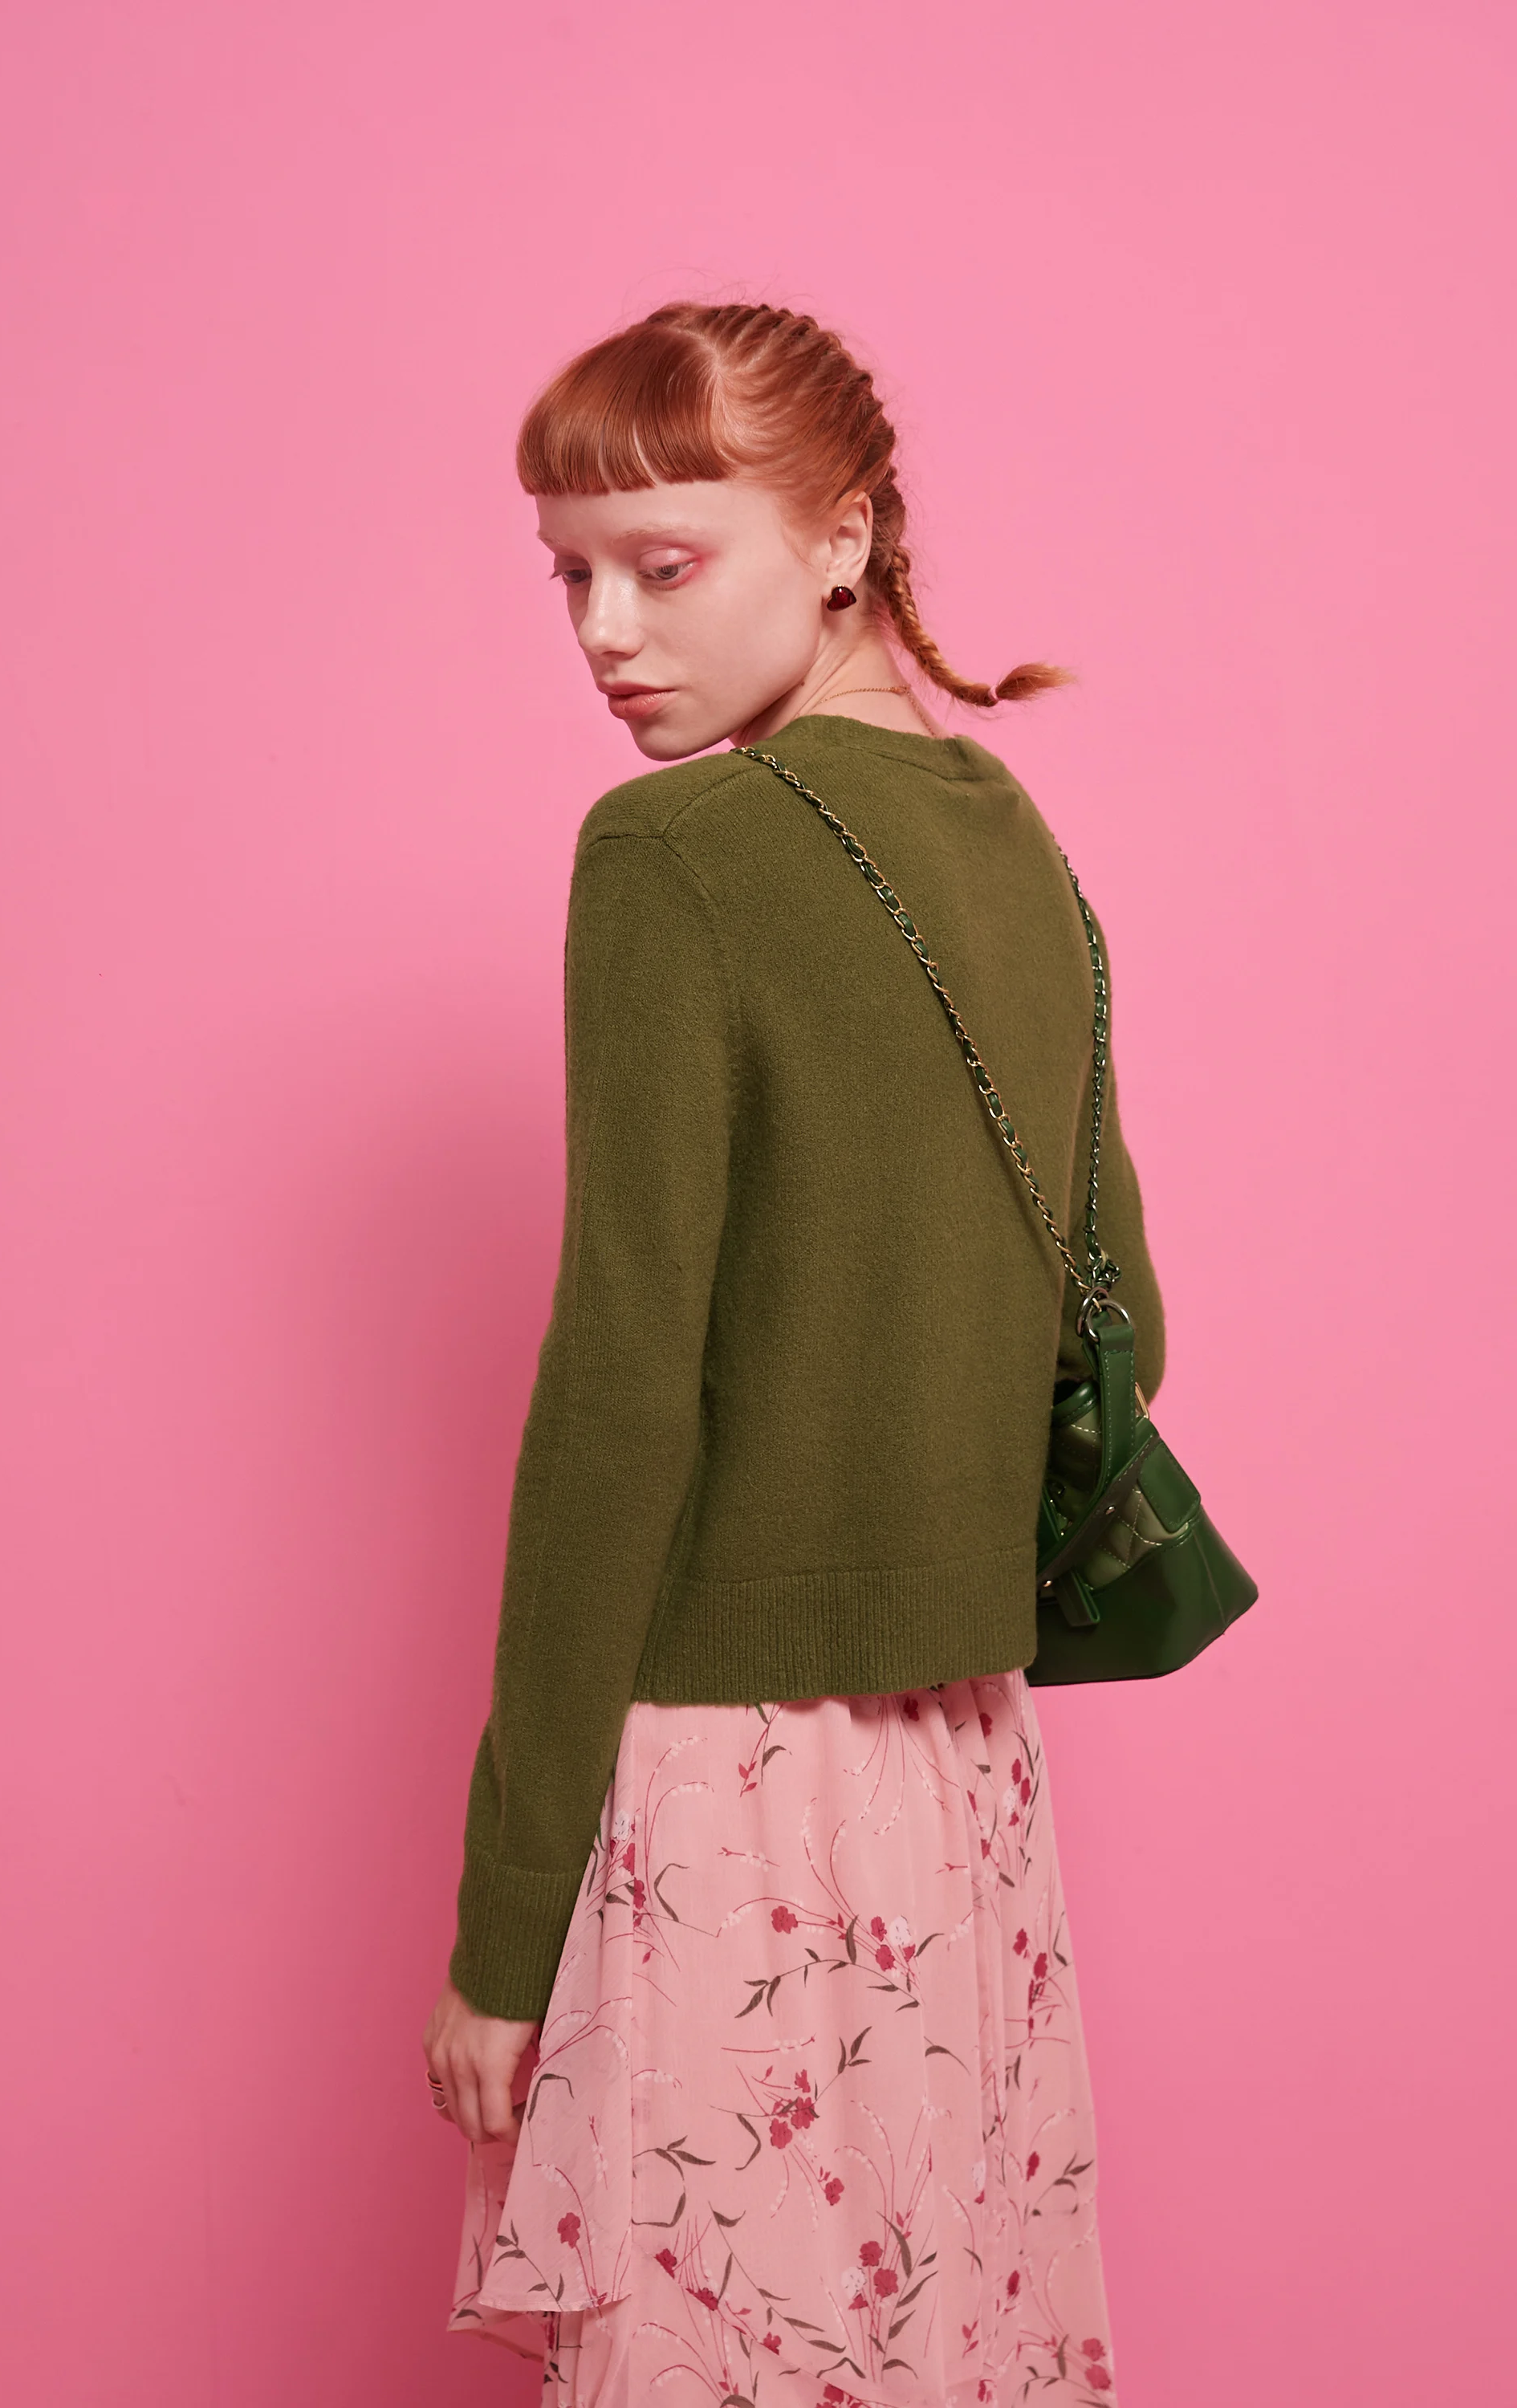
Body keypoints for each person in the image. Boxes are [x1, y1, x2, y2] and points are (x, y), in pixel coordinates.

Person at [424, 301, 1164, 2408]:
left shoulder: (676, 852)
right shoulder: (1015, 846)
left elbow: (620, 1398)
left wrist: (504, 1934)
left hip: (725, 1788)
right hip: (963, 1782)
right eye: (569, 575)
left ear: (842, 541)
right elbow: (1128, 1310)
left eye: (665, 564)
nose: (606, 630)